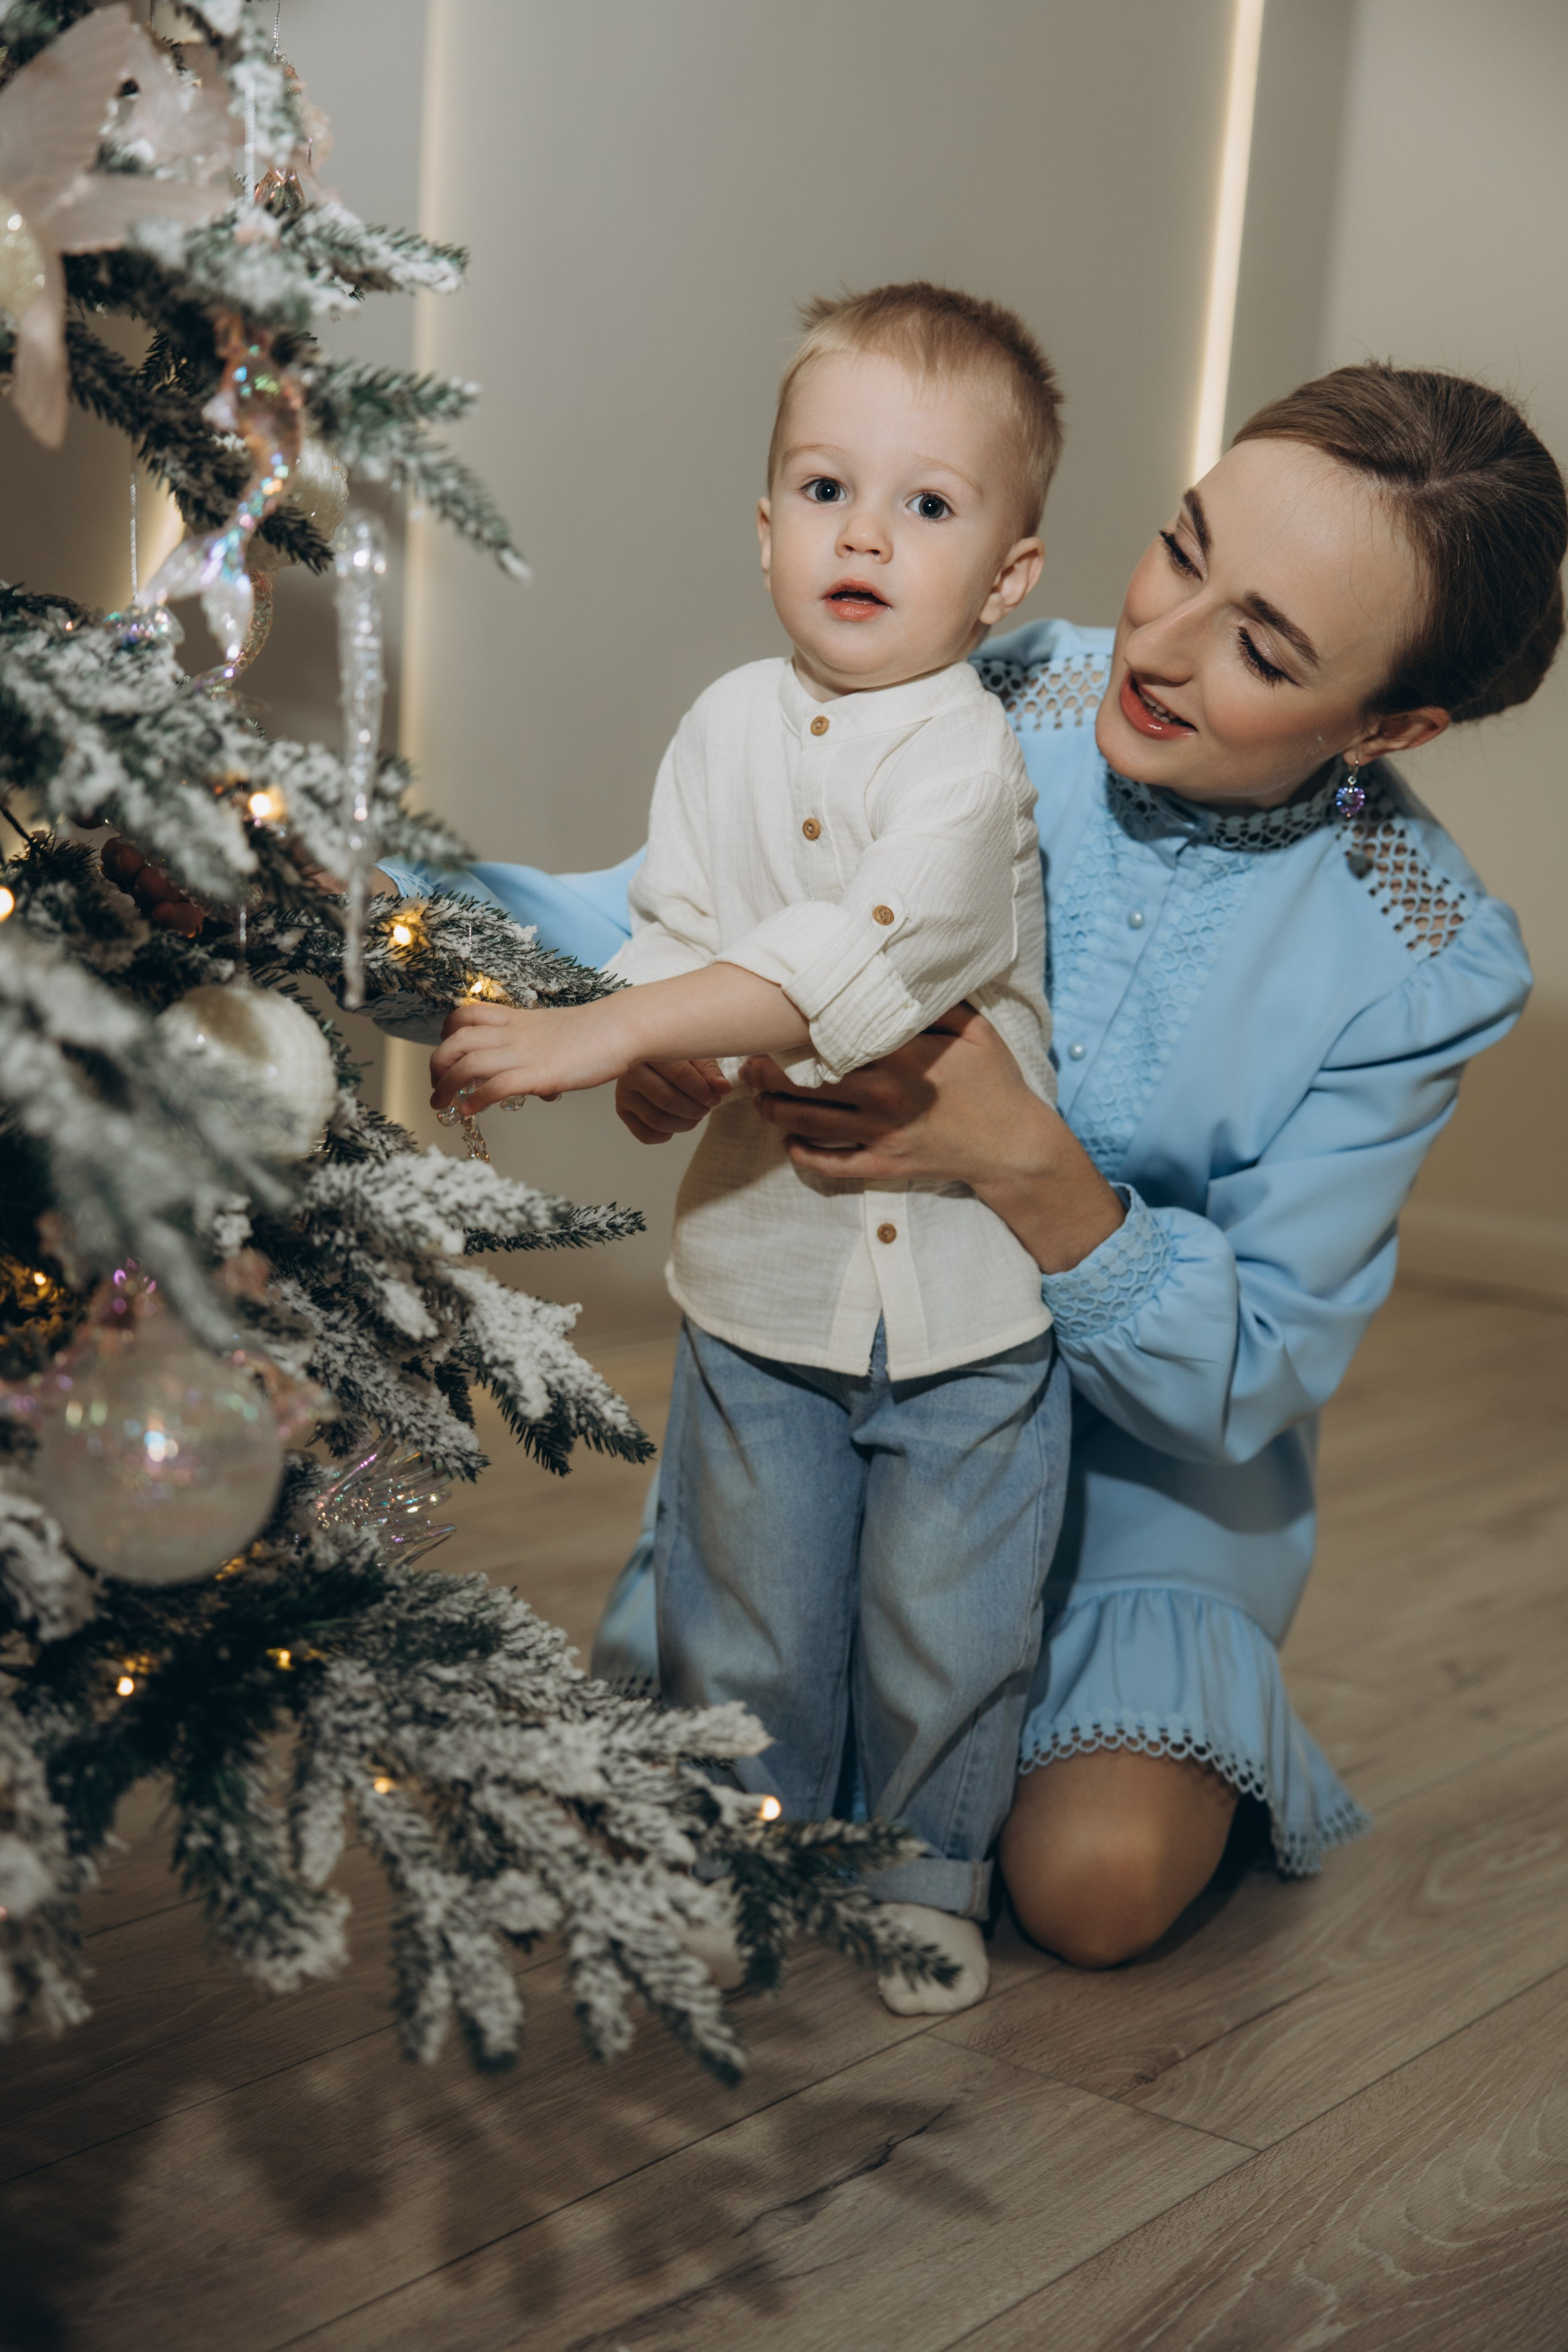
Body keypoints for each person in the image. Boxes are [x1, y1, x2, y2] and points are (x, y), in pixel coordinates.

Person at [379, 361, 1558, 1973]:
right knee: (705, 1784)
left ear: (1390, 723)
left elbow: (1263, 1371)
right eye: (1182, 550)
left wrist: (1026, 1161)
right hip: (847, 1387)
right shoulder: (986, 691)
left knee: (1092, 1892)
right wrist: (392, 914)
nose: (1162, 643)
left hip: (1148, 1487)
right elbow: (666, 912)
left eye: (1264, 646)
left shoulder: (1424, 960)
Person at [426, 285, 1072, 2017]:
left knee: (950, 1618)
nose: (866, 533)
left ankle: (933, 1869)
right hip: (762, 1282)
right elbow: (683, 930)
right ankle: (747, 1843)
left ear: (1006, 577)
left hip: (962, 1301)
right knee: (756, 1606)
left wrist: (603, 1030)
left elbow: (863, 953)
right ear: (767, 521)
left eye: (928, 507)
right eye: (823, 488)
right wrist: (670, 1055)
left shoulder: (971, 761)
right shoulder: (723, 724)